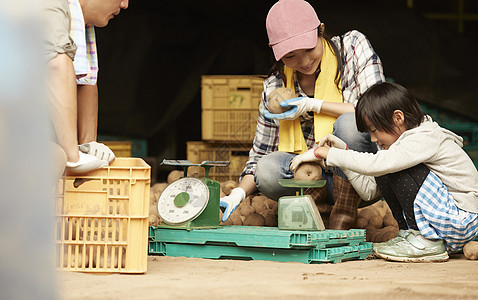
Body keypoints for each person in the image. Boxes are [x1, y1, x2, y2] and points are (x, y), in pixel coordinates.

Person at [220, 0, 385, 229]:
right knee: (266, 170)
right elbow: (260, 152)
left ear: (321, 30)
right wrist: (237, 194)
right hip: (313, 178)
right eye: (290, 56)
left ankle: (343, 217)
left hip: (363, 175)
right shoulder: (274, 86)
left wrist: (315, 105)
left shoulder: (352, 47)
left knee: (349, 124)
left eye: (309, 49)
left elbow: (377, 111)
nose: (304, 62)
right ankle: (318, 211)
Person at [291, 81, 478, 262]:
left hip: (461, 220)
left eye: (374, 130)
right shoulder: (399, 148)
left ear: (398, 118)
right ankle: (411, 235)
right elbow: (369, 190)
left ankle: (426, 242)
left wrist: (327, 153)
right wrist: (344, 154)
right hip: (447, 221)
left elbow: (378, 164)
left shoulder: (424, 136)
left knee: (388, 164)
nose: (373, 139)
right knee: (386, 165)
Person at [45, 0, 129, 173]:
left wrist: (88, 146)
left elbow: (86, 80)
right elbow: (57, 65)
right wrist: (73, 157)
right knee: (52, 158)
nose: (124, 4)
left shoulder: (80, 22)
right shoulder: (51, 5)